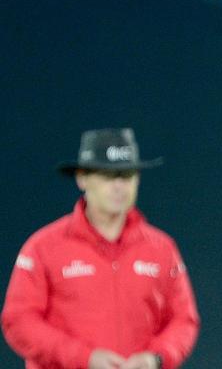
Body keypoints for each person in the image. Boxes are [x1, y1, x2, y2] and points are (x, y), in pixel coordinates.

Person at [2, 128, 199, 369]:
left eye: (126, 176)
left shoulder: (162, 248)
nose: (119, 186)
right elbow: (19, 321)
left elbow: (183, 320)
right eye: (107, 176)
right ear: (82, 178)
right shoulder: (43, 247)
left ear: (137, 179)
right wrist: (83, 357)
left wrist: (155, 358)